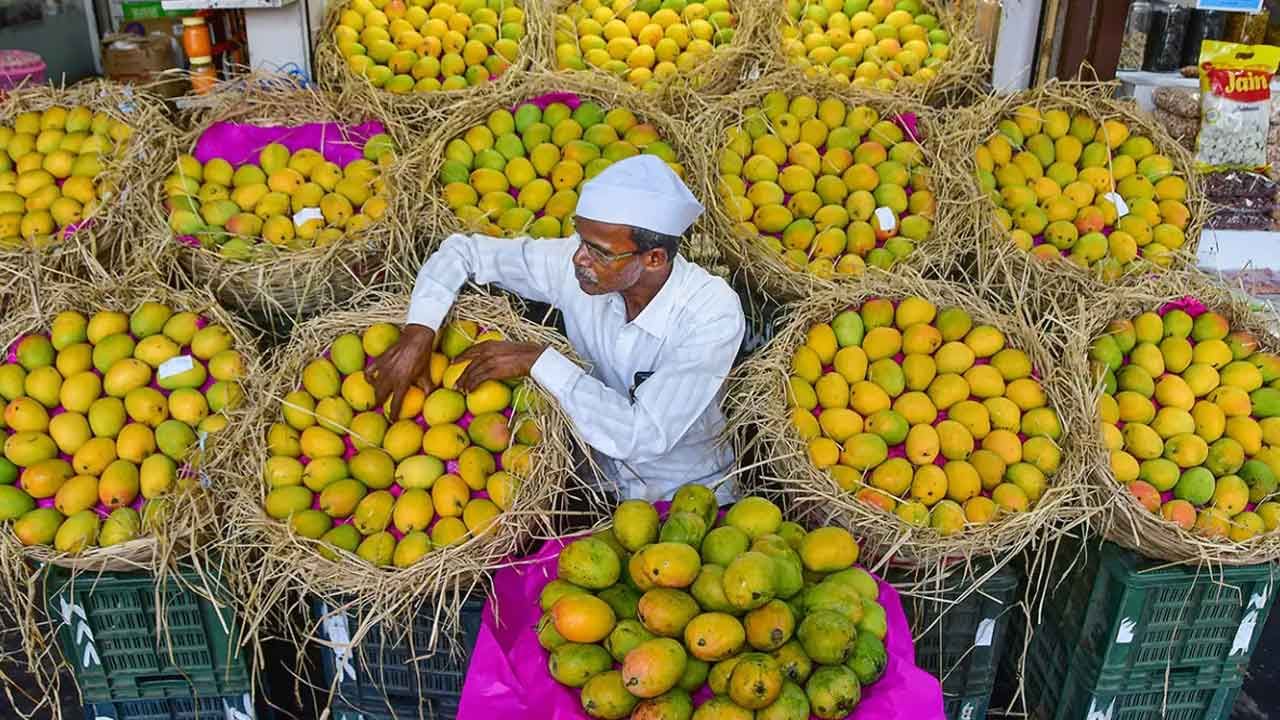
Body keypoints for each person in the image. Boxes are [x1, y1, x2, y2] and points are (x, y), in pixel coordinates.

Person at [370, 155, 746, 502]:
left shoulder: (710, 313)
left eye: (598, 252)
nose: (579, 259)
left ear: (654, 258)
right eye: (580, 239)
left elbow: (642, 435)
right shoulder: (578, 263)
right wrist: (421, 330)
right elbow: (464, 253)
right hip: (595, 483)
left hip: (686, 495)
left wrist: (538, 361)